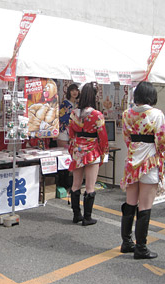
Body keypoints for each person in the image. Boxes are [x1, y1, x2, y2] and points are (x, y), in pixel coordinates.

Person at [119, 81, 165, 260]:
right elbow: (163, 141)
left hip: (131, 160)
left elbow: (126, 137)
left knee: (130, 203)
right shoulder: (156, 114)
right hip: (149, 162)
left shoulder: (127, 114)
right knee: (145, 206)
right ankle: (141, 248)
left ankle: (126, 242)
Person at [68, 82, 109, 226]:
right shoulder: (97, 115)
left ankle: (76, 215)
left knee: (75, 184)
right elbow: (103, 136)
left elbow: (71, 132)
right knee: (90, 186)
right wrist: (104, 151)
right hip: (92, 150)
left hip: (77, 149)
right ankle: (87, 217)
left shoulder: (74, 113)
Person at [57, 83, 79, 190]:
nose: (75, 92)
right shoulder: (65, 104)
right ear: (69, 92)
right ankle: (62, 182)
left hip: (74, 133)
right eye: (72, 90)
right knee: (63, 156)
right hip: (64, 132)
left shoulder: (78, 104)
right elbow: (62, 118)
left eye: (76, 90)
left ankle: (69, 182)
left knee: (70, 157)